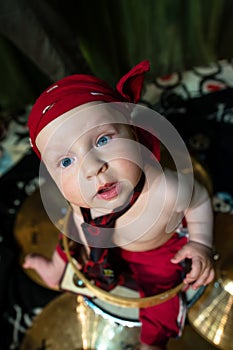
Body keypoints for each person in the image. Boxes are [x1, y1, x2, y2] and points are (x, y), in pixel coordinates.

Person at [23, 60, 215, 350]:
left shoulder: (165, 189)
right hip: (99, 240)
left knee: (160, 299)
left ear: (134, 133)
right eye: (66, 161)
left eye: (102, 139)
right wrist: (83, 240)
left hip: (155, 251)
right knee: (71, 234)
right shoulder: (84, 193)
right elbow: (78, 219)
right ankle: (56, 268)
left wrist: (201, 243)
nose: (92, 168)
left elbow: (199, 201)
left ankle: (154, 341)